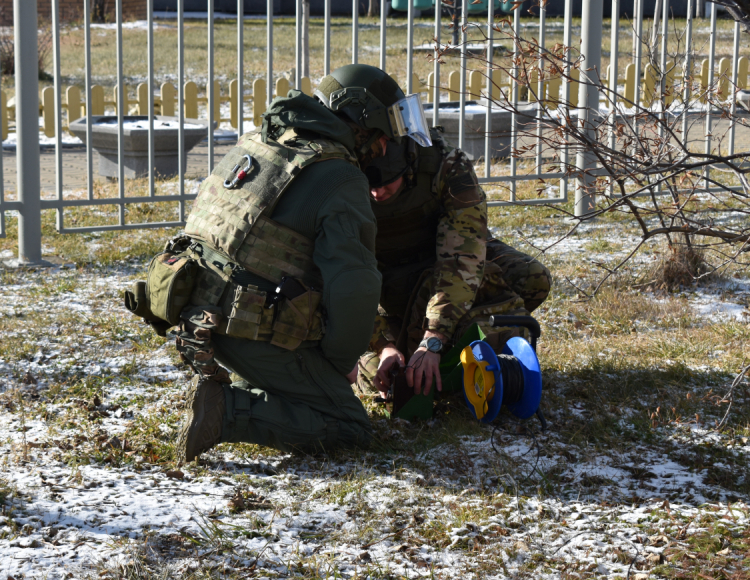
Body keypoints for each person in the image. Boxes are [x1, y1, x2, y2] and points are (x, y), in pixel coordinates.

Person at [164, 64, 434, 461]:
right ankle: (229, 412)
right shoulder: (339, 176)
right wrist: (339, 363)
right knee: (349, 426)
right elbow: (353, 287)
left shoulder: (260, 140)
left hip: (197, 313)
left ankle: (248, 386)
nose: (383, 146)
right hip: (244, 325)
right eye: (381, 133)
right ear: (363, 122)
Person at [353, 126, 552, 400]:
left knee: (533, 278)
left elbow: (463, 257)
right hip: (392, 282)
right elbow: (346, 279)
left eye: (387, 181)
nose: (377, 193)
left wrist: (433, 339)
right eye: (370, 185)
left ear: (408, 168)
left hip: (451, 258)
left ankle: (466, 335)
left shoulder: (444, 165)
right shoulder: (342, 180)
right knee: (395, 379)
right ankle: (381, 349)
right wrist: (382, 345)